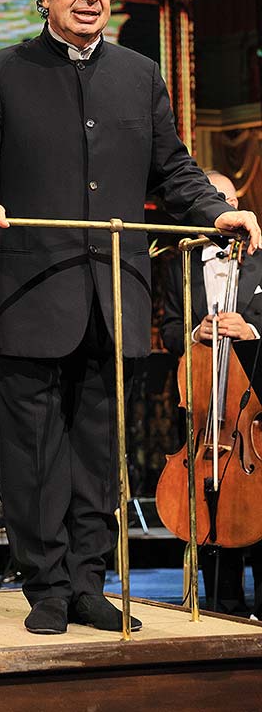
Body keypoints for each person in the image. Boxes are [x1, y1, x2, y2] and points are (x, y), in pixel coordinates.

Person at [0, 0, 261, 635]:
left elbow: (173, 170)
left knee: (98, 455)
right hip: (29, 293)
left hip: (116, 297)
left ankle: (87, 582)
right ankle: (46, 587)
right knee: (32, 456)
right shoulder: (0, 72)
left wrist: (218, 213)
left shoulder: (140, 74)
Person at [161, 170, 262, 618]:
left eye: (228, 199)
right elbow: (165, 330)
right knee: (205, 512)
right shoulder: (176, 263)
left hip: (255, 415)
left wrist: (253, 329)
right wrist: (192, 331)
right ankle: (221, 609)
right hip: (206, 419)